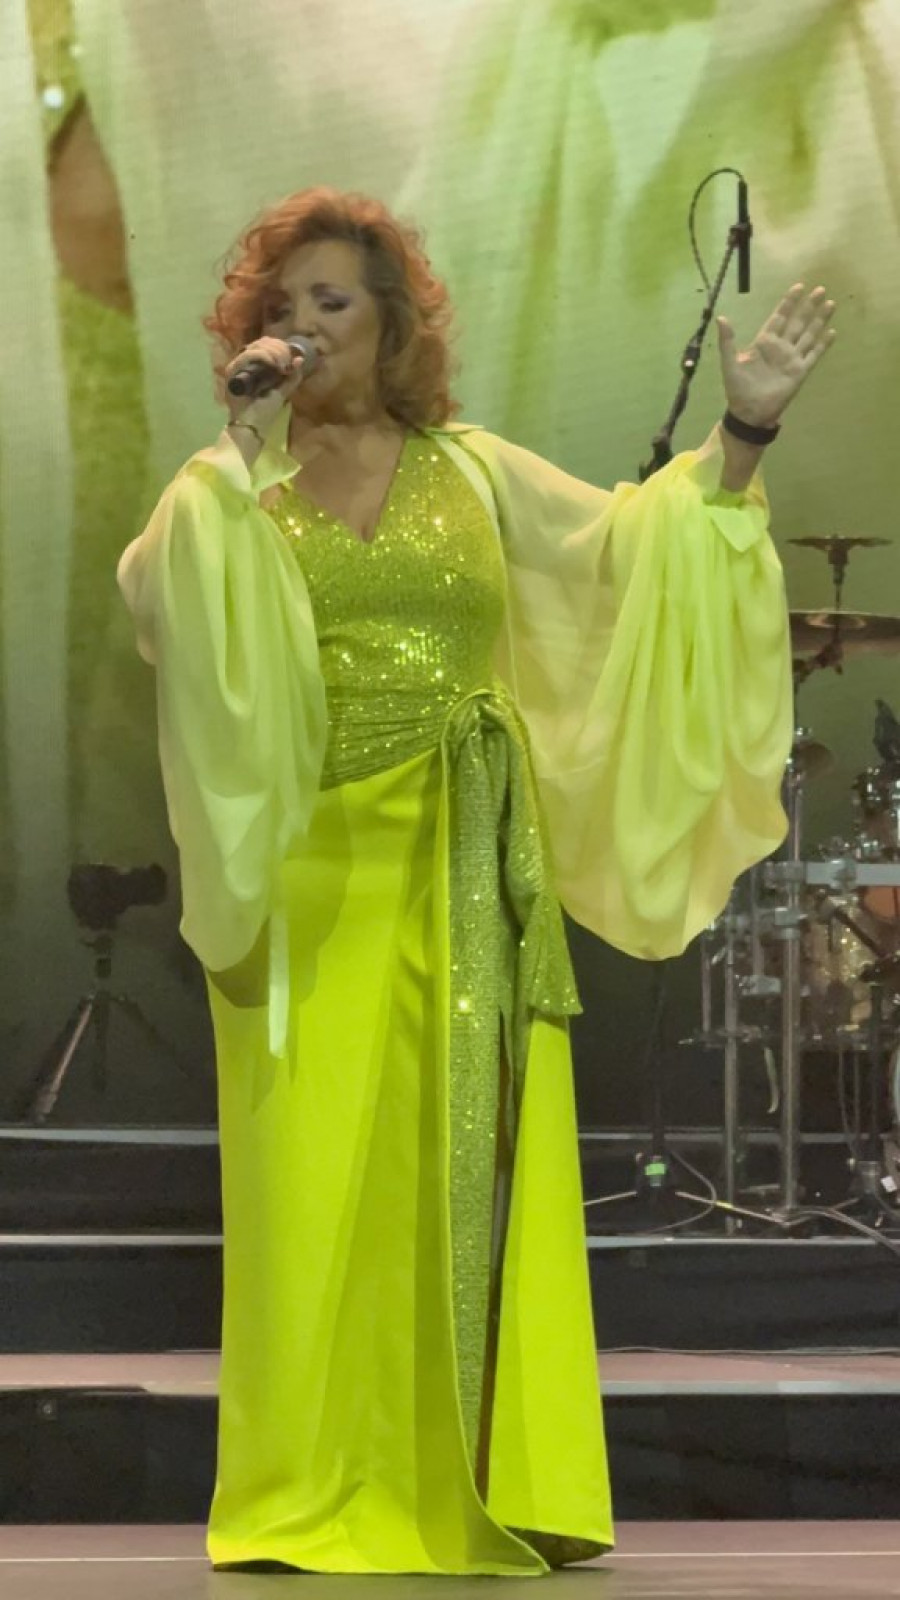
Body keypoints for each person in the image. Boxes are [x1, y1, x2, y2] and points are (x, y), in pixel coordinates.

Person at [116, 187, 836, 1576]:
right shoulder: (232, 487)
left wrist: (742, 435)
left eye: (331, 301)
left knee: (463, 1165)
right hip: (304, 877)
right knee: (310, 1185)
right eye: (280, 307)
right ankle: (311, 1484)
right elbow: (162, 599)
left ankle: (489, 1479)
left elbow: (637, 548)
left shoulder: (475, 472)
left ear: (391, 323)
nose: (302, 327)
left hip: (461, 857)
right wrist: (239, 438)